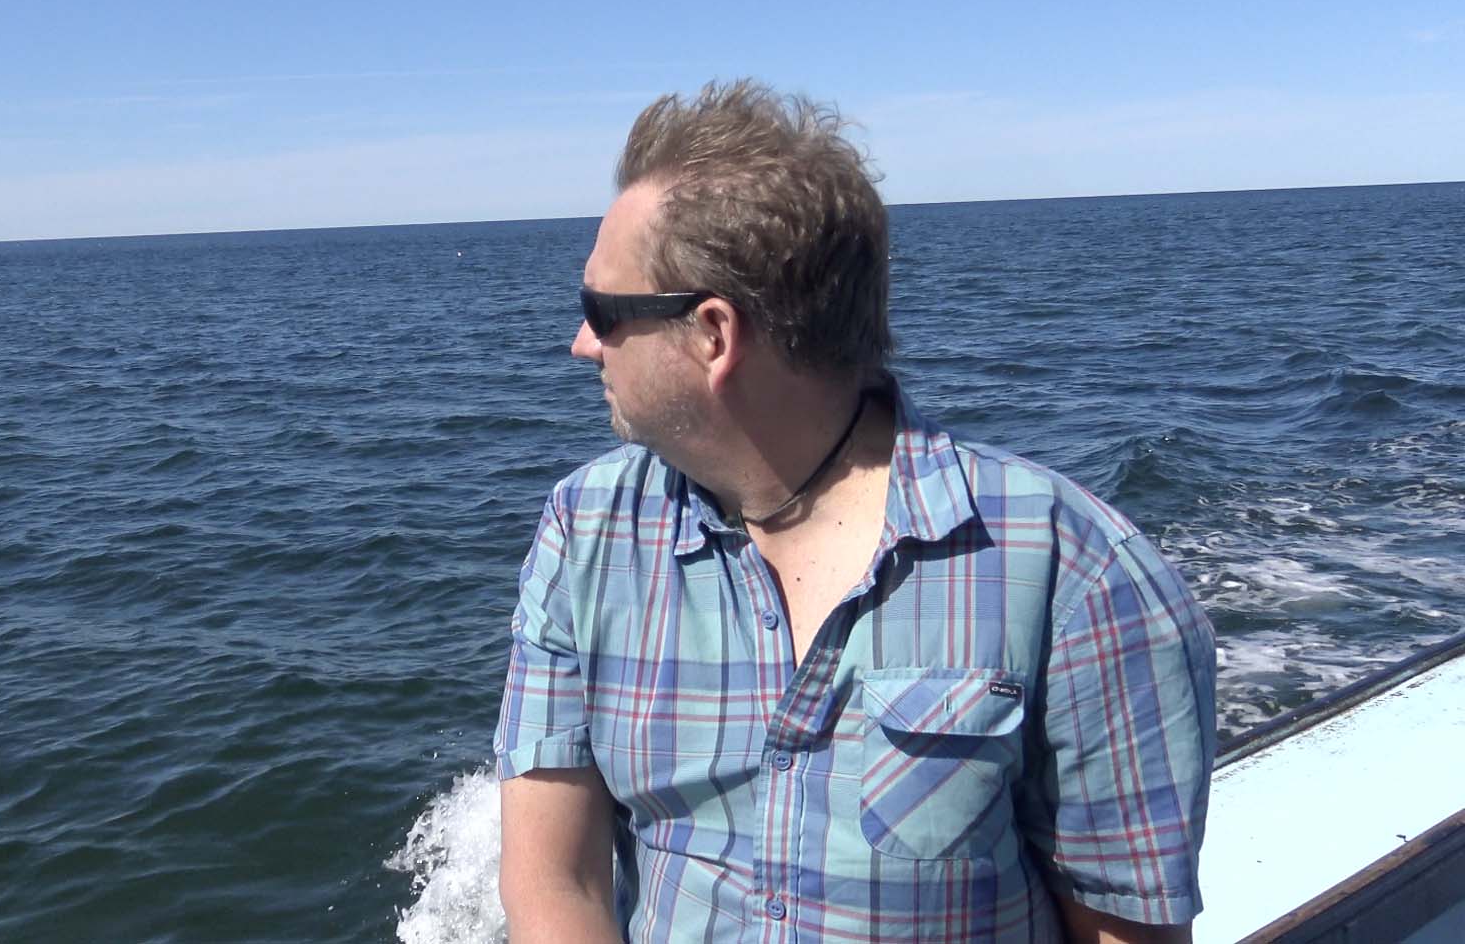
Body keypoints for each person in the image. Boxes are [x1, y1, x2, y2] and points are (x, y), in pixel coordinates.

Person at [494, 81, 1216, 943]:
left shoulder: (1080, 573)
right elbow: (553, 880)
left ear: (713, 336)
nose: (581, 343)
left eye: (601, 314)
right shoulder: (586, 533)